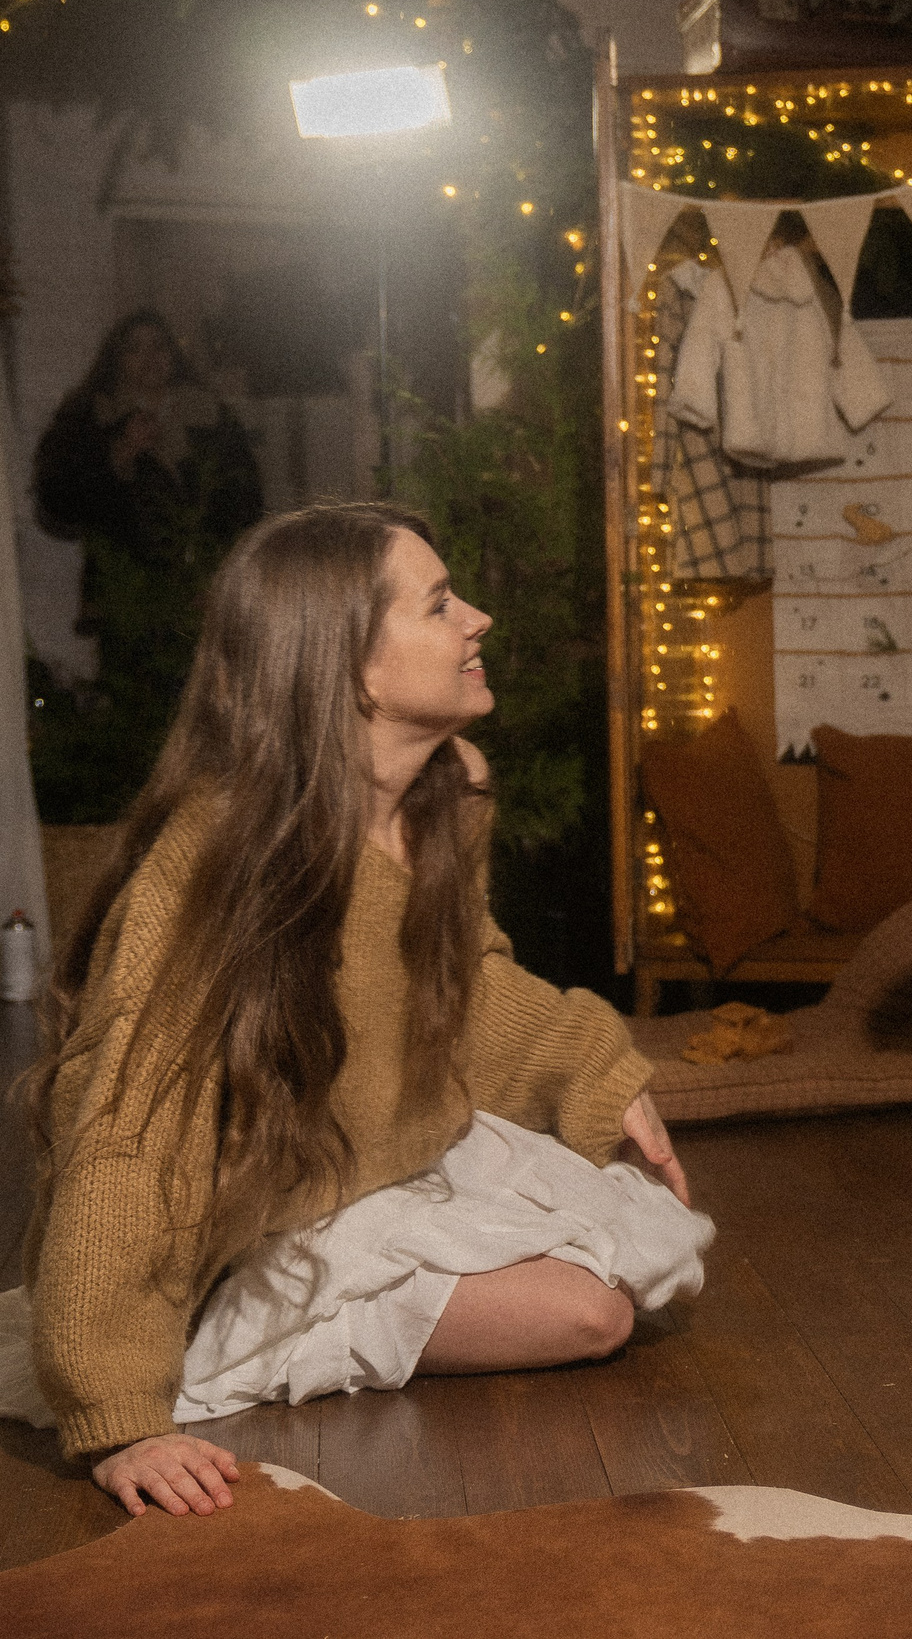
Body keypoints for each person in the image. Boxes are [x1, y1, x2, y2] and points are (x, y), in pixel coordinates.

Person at [0, 503, 713, 1519]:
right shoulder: (215, 872)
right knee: (587, 1312)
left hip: (373, 1158)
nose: (479, 621)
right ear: (352, 669)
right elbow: (129, 1130)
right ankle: (239, 1336)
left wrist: (589, 1069)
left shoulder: (441, 801)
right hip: (244, 1222)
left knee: (652, 1262)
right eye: (438, 605)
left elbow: (461, 985)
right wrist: (119, 1412)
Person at [31, 311, 267, 817]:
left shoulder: (208, 416)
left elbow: (245, 501)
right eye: (135, 348)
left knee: (211, 717)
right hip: (127, 598)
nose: (150, 359)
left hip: (204, 596)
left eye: (160, 347)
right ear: (115, 360)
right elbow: (56, 502)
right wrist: (117, 456)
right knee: (140, 727)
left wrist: (221, 576)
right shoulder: (88, 418)